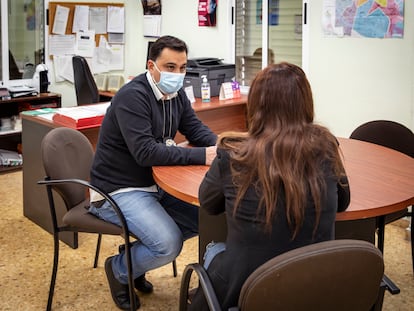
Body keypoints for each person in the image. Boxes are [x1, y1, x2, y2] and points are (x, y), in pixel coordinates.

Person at [189, 62, 351, 310]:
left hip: (249, 288)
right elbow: (343, 202)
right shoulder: (325, 146)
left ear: (255, 105)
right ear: (305, 103)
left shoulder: (233, 152)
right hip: (313, 283)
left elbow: (208, 203)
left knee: (213, 248)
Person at [88, 35, 217, 310]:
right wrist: (202, 155)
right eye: (170, 67)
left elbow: (195, 129)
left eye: (182, 68)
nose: (177, 75)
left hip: (155, 184)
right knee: (167, 244)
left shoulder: (176, 94)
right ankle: (120, 268)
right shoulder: (131, 97)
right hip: (117, 189)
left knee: (206, 218)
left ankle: (136, 257)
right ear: (151, 65)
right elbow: (145, 152)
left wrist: (221, 146)